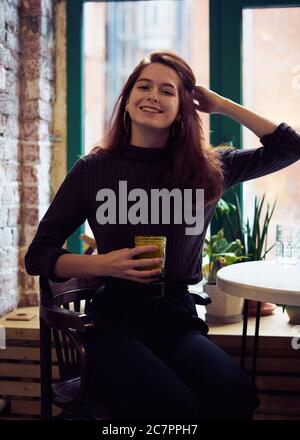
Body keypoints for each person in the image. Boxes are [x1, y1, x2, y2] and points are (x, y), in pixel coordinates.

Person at [25, 50, 300, 420]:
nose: (153, 95)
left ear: (183, 107)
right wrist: (104, 265)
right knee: (176, 409)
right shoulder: (93, 170)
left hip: (177, 320)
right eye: (144, 86)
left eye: (167, 91)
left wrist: (222, 105)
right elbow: (38, 254)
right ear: (127, 102)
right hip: (113, 323)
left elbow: (290, 147)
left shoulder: (209, 170)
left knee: (235, 397)